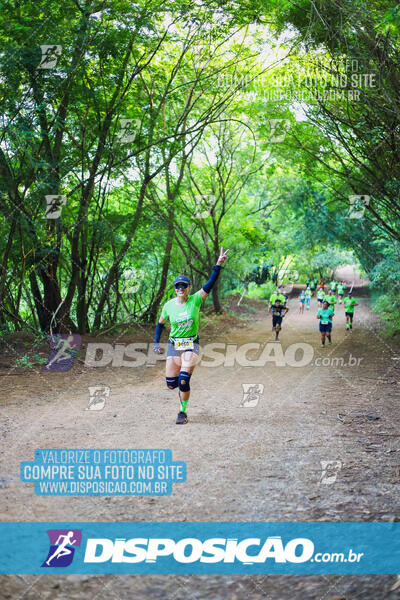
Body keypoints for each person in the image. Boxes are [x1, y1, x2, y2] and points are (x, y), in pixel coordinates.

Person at [153, 247, 229, 425]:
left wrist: (218, 264)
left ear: (188, 288)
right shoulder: (168, 305)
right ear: (175, 289)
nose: (180, 288)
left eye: (183, 286)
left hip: (191, 344)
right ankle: (178, 385)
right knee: (171, 384)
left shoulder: (196, 299)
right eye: (177, 286)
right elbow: (160, 323)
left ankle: (182, 411)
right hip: (174, 345)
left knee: (184, 380)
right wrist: (156, 342)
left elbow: (210, 282)